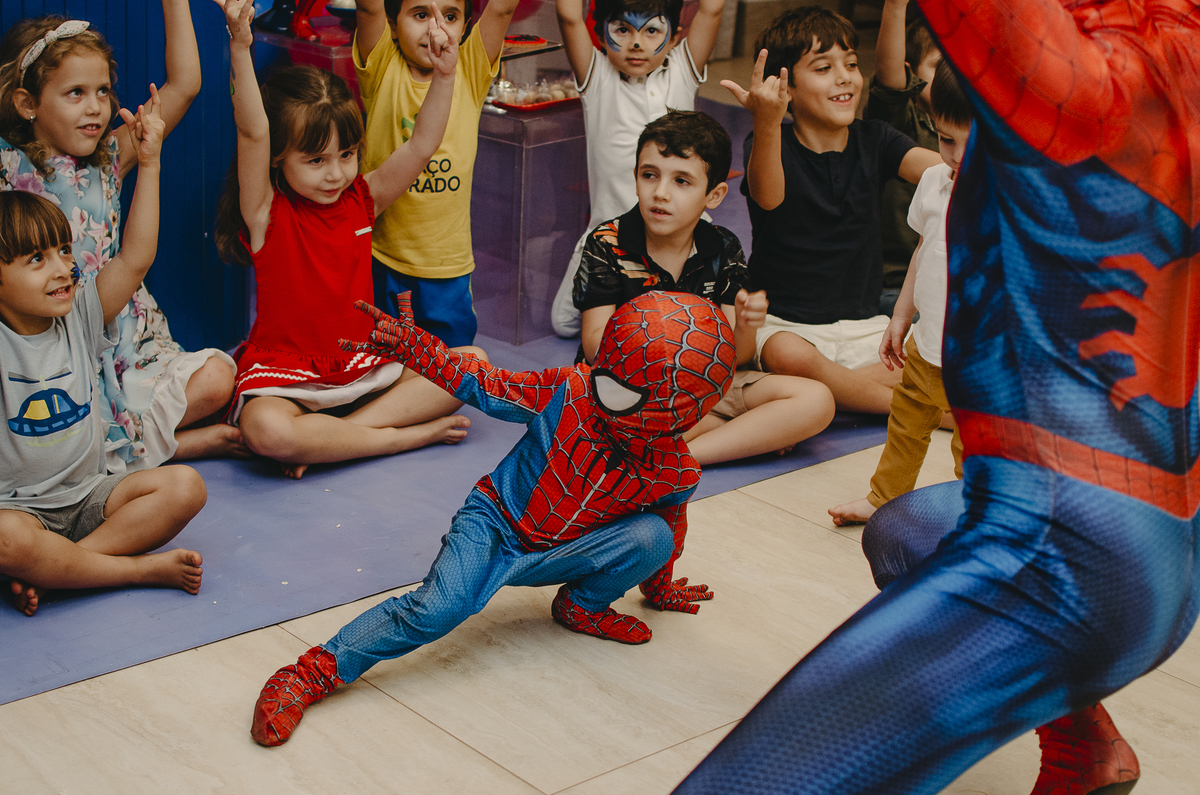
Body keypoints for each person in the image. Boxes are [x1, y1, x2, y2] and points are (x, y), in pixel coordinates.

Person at [672, 0, 1199, 789]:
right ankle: (1083, 744)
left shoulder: (1073, 72)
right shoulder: (1176, 43)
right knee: (904, 530)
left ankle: (1058, 643)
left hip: (1067, 556)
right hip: (1161, 550)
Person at [249, 290, 736, 747]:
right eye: (607, 377)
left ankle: (582, 606)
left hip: (562, 550)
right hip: (496, 524)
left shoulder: (676, 471)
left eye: (625, 393)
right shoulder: (569, 391)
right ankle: (312, 672)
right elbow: (486, 384)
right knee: (436, 610)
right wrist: (422, 351)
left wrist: (660, 587)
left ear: (679, 410)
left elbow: (670, 533)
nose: (604, 391)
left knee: (653, 536)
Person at [214, 0, 480, 480]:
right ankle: (399, 438)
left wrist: (444, 77)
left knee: (473, 364)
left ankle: (337, 440)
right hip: (289, 376)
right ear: (279, 157)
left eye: (348, 154)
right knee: (267, 431)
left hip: (361, 367)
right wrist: (241, 46)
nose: (336, 173)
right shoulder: (265, 213)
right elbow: (253, 131)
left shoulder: (363, 199)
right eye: (316, 161)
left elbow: (422, 145)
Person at [0, 10, 243, 473]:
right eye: (76, 93)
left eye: (103, 92)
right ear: (27, 103)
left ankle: (132, 449)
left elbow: (186, 83)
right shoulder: (8, 166)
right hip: (52, 340)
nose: (96, 107)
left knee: (216, 379)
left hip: (127, 339)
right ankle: (176, 446)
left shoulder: (113, 153)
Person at [0, 96, 207, 618]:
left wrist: (151, 162)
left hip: (92, 496)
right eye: (36, 259)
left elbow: (136, 257)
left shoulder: (81, 316)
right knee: (7, 541)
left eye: (65, 252)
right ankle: (134, 569)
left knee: (186, 486)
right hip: (19, 512)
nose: (63, 268)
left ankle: (61, 572)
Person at [574, 110, 834, 465]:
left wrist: (744, 325)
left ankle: (678, 461)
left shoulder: (722, 247)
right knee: (591, 430)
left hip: (701, 389)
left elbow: (735, 358)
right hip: (624, 395)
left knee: (816, 400)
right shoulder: (608, 242)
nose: (661, 193)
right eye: (650, 175)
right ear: (635, 178)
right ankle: (736, 435)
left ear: (714, 195)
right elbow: (594, 348)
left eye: (682, 181)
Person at [720, 7, 942, 417]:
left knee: (947, 348)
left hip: (866, 330)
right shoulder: (768, 142)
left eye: (852, 64)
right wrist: (767, 122)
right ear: (784, 87)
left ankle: (840, 393)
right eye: (823, 68)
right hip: (791, 329)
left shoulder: (875, 139)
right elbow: (768, 197)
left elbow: (941, 169)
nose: (845, 77)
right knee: (790, 356)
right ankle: (922, 412)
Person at [828, 59, 968, 526]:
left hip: (982, 365)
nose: (956, 158)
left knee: (974, 449)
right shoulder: (933, 182)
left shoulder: (1011, 198)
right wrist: (901, 316)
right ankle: (883, 498)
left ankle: (980, 521)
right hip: (926, 351)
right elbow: (924, 253)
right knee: (906, 424)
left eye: (976, 147)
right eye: (946, 140)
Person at [549, 0, 727, 338]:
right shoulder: (597, 76)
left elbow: (712, 10)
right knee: (564, 323)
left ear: (673, 38)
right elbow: (569, 14)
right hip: (611, 237)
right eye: (622, 30)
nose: (636, 43)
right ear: (601, 34)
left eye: (651, 31)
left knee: (691, 324)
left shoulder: (682, 71)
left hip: (680, 235)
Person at [353, 0, 521, 347]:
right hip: (382, 259)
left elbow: (502, 9)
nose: (436, 29)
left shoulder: (470, 66)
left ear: (465, 26)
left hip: (447, 268)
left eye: (450, 17)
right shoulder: (383, 64)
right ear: (392, 22)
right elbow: (367, 8)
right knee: (383, 365)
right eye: (419, 15)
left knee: (450, 369)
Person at [867, 0, 941, 317]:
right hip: (897, 289)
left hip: (950, 281)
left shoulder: (983, 127)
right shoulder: (901, 122)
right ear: (911, 73)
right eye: (940, 66)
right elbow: (889, 77)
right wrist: (896, 8)